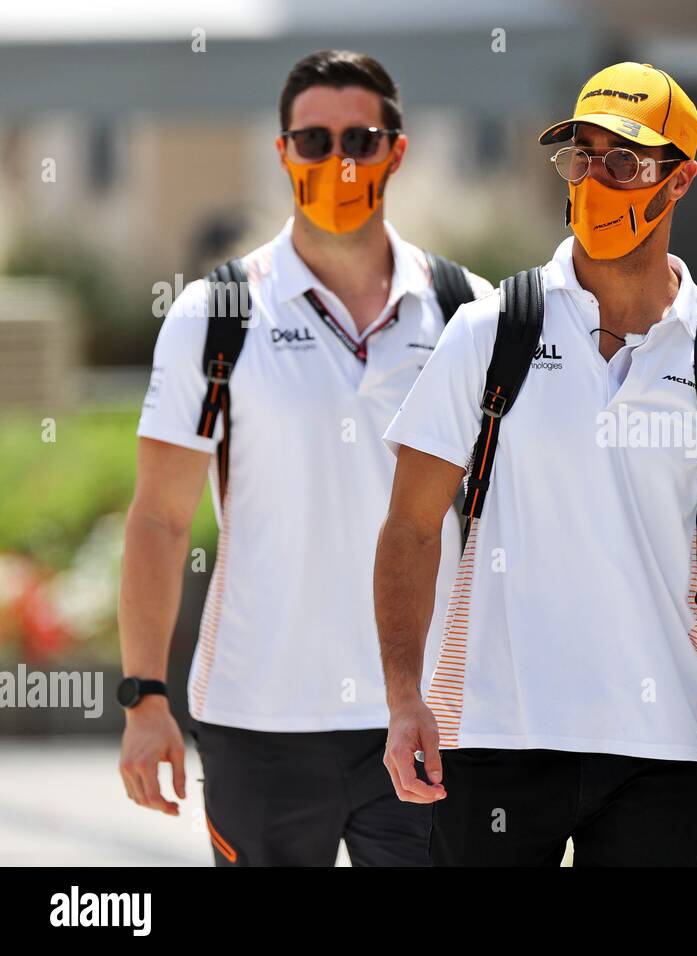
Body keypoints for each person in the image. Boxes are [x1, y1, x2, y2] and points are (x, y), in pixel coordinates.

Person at [375, 62, 697, 866]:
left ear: (678, 180)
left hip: (657, 754)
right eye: (582, 157)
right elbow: (409, 528)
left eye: (624, 162)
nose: (595, 181)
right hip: (495, 737)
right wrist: (404, 698)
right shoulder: (488, 332)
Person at [116, 49, 491, 866]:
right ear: (283, 153)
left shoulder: (470, 314)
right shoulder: (215, 315)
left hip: (429, 717)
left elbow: (513, 521)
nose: (338, 161)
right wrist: (144, 696)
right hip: (261, 722)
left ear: (397, 149)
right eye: (314, 142)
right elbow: (158, 516)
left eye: (359, 140)